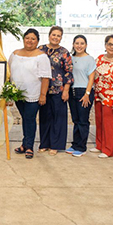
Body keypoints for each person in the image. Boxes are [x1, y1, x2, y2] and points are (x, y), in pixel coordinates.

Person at [9, 29, 52, 159]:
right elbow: (8, 72)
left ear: (37, 41)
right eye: (27, 38)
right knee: (25, 118)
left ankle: (29, 147)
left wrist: (43, 95)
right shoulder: (15, 54)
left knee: (29, 118)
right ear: (23, 39)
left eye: (33, 38)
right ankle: (24, 144)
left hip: (33, 94)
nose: (30, 41)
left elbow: (45, 77)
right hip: (18, 94)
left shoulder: (41, 56)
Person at [38, 26, 73, 155]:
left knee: (58, 118)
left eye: (58, 35)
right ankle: (44, 143)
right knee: (44, 117)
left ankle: (55, 145)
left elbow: (68, 72)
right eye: (53, 35)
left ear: (61, 37)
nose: (55, 37)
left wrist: (66, 90)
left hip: (59, 89)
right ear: (49, 35)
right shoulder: (40, 50)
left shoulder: (64, 52)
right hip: (42, 89)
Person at [92, 34, 113, 158]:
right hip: (98, 95)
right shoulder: (100, 59)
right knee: (99, 121)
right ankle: (99, 145)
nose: (111, 47)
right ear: (105, 45)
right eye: (109, 44)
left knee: (109, 124)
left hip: (111, 97)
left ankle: (108, 150)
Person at [67, 35, 95, 157]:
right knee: (76, 120)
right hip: (72, 91)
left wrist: (87, 94)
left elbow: (91, 78)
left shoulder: (89, 59)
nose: (79, 46)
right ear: (73, 44)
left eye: (82, 43)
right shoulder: (70, 58)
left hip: (84, 92)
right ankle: (75, 144)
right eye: (77, 43)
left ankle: (81, 147)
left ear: (86, 45)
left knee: (83, 120)